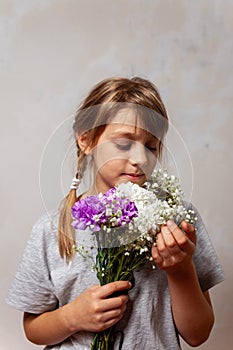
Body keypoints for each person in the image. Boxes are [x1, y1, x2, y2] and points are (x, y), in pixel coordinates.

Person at [6, 77, 224, 349]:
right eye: (123, 144)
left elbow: (198, 334)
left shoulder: (177, 221)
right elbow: (33, 329)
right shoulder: (52, 229)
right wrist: (72, 318)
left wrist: (181, 271)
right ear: (86, 140)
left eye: (151, 146)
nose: (141, 159)